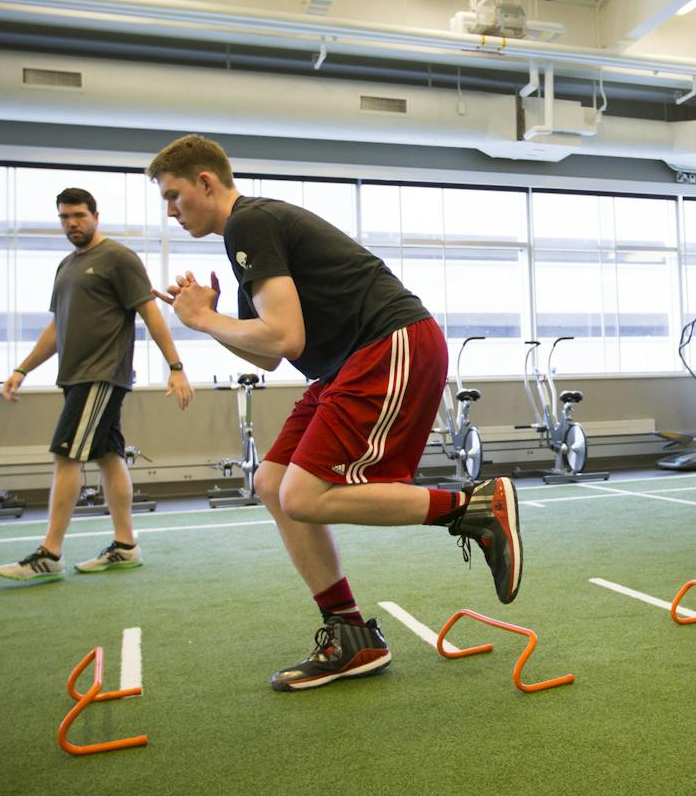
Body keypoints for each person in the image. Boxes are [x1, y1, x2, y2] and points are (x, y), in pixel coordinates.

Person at [146, 135, 521, 692]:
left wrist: (202, 322)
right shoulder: (246, 238)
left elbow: (283, 333)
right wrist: (215, 317)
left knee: (302, 493)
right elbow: (272, 352)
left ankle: (473, 506)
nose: (170, 211)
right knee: (275, 484)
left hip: (389, 342)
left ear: (206, 181)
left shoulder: (251, 222)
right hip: (342, 365)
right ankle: (349, 634)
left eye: (174, 196)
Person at [0, 188, 194, 582]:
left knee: (66, 455)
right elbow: (57, 328)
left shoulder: (118, 259)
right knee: (107, 456)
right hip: (74, 377)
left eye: (79, 215)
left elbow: (149, 312)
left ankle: (49, 552)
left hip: (100, 375)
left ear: (96, 216)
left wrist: (175, 365)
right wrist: (22, 369)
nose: (72, 223)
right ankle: (125, 545)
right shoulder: (66, 267)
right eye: (65, 217)